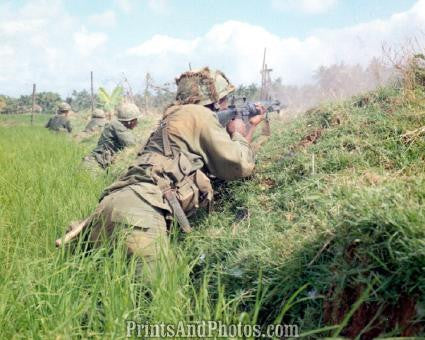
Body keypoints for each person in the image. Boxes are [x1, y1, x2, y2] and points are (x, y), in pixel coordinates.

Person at [61, 67, 265, 269]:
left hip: (110, 205)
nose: (227, 104)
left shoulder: (172, 118)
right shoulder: (200, 114)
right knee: (161, 296)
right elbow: (238, 166)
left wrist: (250, 126)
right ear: (215, 100)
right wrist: (239, 131)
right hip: (138, 213)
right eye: (225, 99)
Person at [82, 102, 139, 170]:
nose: (137, 123)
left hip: (97, 161)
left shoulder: (116, 124)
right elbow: (131, 145)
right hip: (95, 164)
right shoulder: (118, 126)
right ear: (130, 121)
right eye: (136, 120)